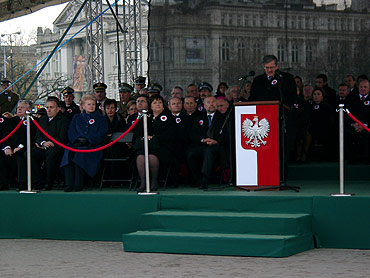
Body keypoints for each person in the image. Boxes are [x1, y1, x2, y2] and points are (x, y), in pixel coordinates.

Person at [249, 55, 297, 183]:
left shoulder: (286, 78)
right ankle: (265, 176)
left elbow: (292, 97)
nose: (269, 70)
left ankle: (281, 178)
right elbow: (253, 98)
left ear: (277, 66)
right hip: (262, 119)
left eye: (271, 67)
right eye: (266, 68)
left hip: (281, 118)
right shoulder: (258, 80)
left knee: (281, 150)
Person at [60, 94, 108, 192]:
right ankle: (69, 183)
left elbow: (102, 133)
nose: (91, 106)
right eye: (89, 104)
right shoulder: (77, 117)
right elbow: (71, 131)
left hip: (93, 146)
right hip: (76, 144)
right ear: (83, 106)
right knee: (68, 153)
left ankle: (78, 183)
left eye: (93, 104)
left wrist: (89, 139)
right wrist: (77, 140)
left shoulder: (101, 118)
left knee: (80, 154)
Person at [132, 95, 175, 192]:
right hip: (145, 146)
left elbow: (171, 135)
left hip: (162, 147)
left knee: (151, 157)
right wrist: (143, 138)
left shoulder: (168, 117)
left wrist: (155, 138)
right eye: (155, 103)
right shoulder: (146, 117)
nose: (157, 105)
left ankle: (154, 180)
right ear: (150, 105)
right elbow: (137, 133)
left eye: (159, 102)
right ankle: (143, 181)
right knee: (140, 157)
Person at [185, 96, 229, 190]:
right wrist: (202, 140)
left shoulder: (224, 118)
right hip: (202, 144)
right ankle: (197, 179)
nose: (211, 104)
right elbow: (193, 134)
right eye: (208, 102)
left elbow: (228, 135)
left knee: (208, 152)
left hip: (217, 146)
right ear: (204, 106)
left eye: (213, 101)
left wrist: (216, 141)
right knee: (190, 154)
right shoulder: (199, 118)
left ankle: (205, 179)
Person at [32, 97, 69, 190]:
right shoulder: (43, 120)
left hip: (57, 148)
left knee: (50, 155)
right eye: (47, 107)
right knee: (29, 153)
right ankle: (38, 181)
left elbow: (63, 137)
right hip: (43, 147)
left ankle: (49, 182)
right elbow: (38, 135)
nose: (48, 110)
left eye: (51, 107)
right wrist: (43, 142)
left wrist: (51, 143)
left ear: (58, 109)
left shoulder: (64, 120)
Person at [2, 100, 35, 191]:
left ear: (28, 109)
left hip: (25, 147)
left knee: (20, 155)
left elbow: (32, 136)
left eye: (22, 107)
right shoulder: (10, 122)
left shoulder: (33, 121)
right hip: (11, 147)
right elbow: (5, 136)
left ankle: (22, 182)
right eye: (18, 108)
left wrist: (20, 147)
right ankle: (3, 182)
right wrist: (7, 147)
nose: (19, 109)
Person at [345, 79, 370, 164]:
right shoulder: (352, 98)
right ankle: (351, 158)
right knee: (346, 133)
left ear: (369, 88)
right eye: (361, 87)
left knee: (367, 134)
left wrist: (364, 125)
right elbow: (347, 114)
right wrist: (354, 124)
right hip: (354, 126)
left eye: (365, 87)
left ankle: (366, 159)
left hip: (367, 127)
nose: (363, 89)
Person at [306, 87, 334, 161]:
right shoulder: (308, 106)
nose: (316, 96)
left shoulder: (327, 107)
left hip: (325, 129)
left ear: (322, 96)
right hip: (311, 129)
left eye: (318, 94)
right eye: (314, 94)